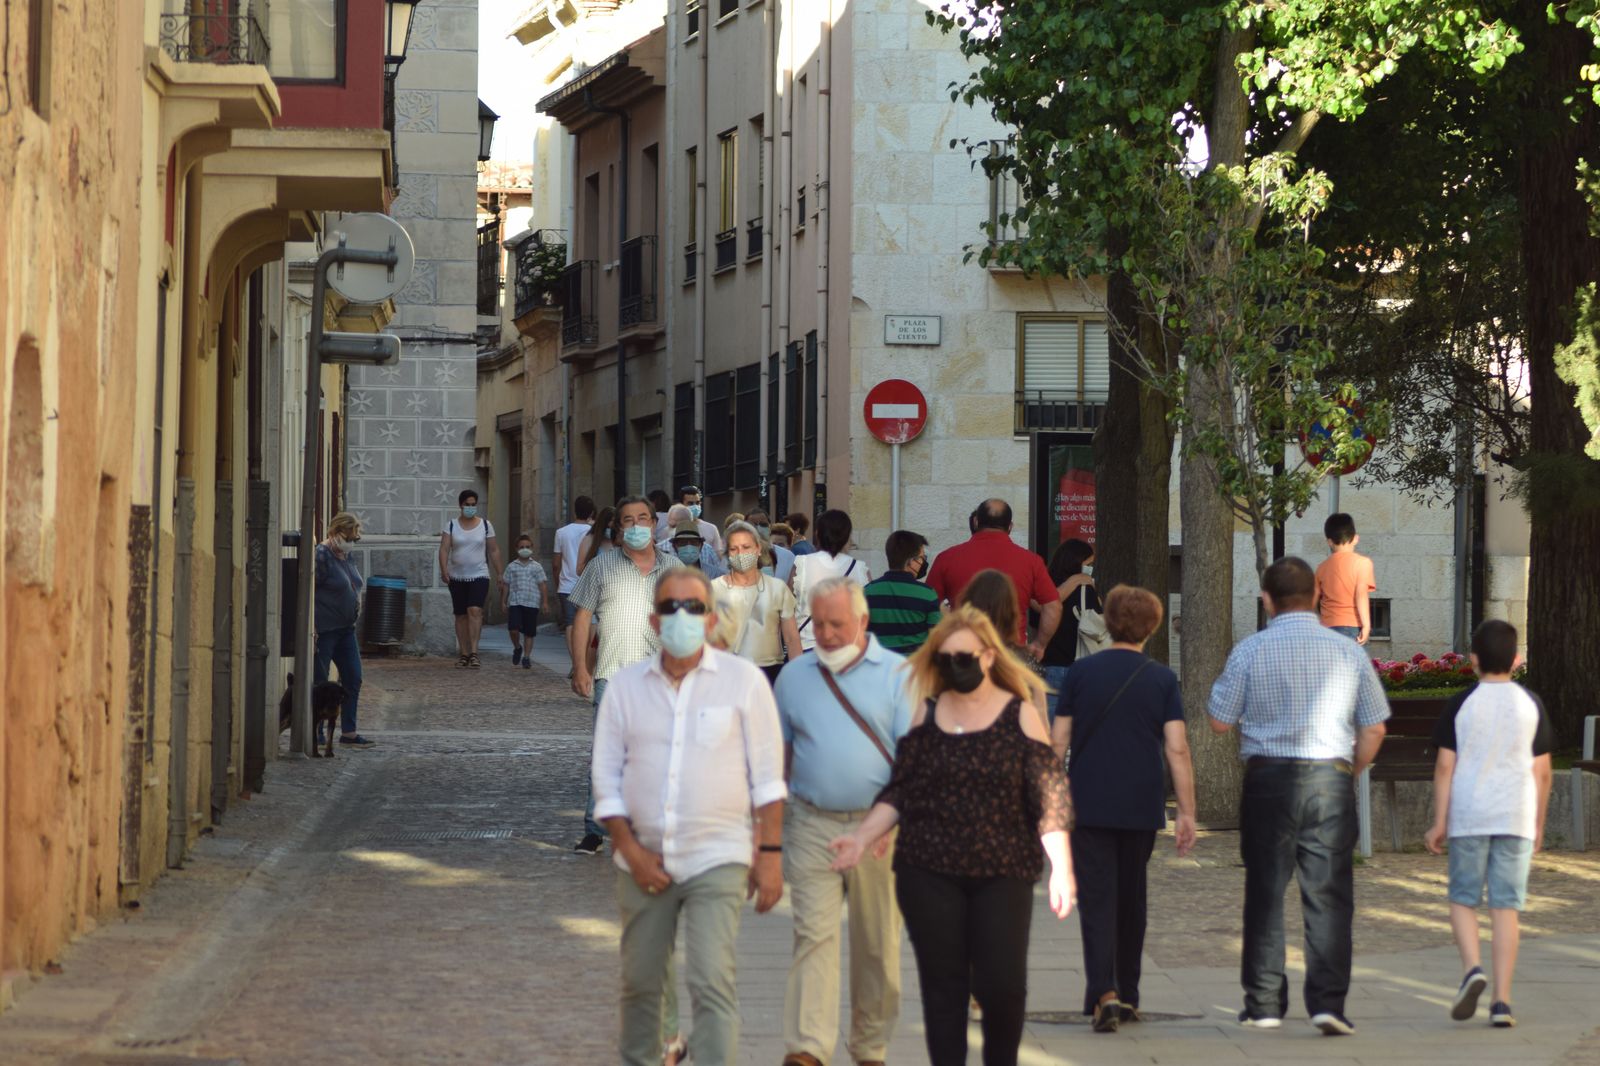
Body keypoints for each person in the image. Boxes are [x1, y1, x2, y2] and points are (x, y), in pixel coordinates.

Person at [829, 606, 1075, 1066]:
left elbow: (1049, 793)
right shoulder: (928, 712)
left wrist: (1062, 866)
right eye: (946, 658)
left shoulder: (1019, 713)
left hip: (1003, 868)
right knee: (943, 988)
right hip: (929, 868)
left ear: (987, 656)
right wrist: (862, 837)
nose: (955, 665)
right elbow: (902, 787)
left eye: (964, 656)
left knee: (1002, 986)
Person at [591, 567, 787, 1066]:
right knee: (640, 983)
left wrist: (769, 854)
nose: (682, 617)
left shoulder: (743, 683)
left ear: (710, 617)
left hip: (717, 855)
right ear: (655, 622)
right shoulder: (626, 687)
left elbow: (767, 777)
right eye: (671, 608)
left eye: (693, 607)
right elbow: (606, 780)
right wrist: (630, 850)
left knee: (711, 980)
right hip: (642, 858)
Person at [1207, 556, 1390, 1036]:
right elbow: (1374, 727)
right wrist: (1350, 770)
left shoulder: (1250, 650)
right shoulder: (1348, 653)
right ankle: (1329, 1001)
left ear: (1266, 601)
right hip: (1329, 776)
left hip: (1269, 779)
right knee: (1329, 893)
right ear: (1316, 598)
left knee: (1265, 891)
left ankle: (1264, 1002)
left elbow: (1219, 720)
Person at [774, 577, 913, 1066]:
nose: (828, 634)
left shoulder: (899, 675)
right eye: (821, 623)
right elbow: (782, 758)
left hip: (882, 828)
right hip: (812, 822)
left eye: (838, 624)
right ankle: (809, 1046)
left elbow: (912, 765)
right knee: (813, 934)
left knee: (877, 943)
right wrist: (771, 833)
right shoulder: (794, 677)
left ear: (862, 621)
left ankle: (870, 1044)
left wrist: (883, 824)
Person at [1051, 585, 1196, 1032]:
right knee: (1132, 898)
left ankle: (1104, 992)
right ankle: (1129, 994)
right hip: (1141, 801)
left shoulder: (1081, 674)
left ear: (1108, 622)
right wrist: (1187, 811)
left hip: (1089, 799)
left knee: (1096, 899)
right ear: (1151, 627)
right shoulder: (1161, 679)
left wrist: (1051, 801)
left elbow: (1058, 742)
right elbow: (1177, 749)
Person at [1424, 619, 1554, 1030]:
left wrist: (1439, 821)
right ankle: (1502, 1001)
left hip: (1469, 815)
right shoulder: (1530, 702)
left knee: (1463, 898)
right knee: (1505, 908)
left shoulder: (1462, 704)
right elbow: (1543, 771)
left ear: (1473, 660)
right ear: (1516, 660)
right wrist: (1538, 823)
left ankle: (1471, 969)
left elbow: (1446, 766)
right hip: (1515, 815)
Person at [569, 495, 683, 855]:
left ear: (655, 524)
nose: (637, 526)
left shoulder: (675, 569)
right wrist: (580, 667)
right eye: (629, 520)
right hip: (612, 675)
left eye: (644, 518)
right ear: (619, 528)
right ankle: (594, 828)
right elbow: (582, 618)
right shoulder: (601, 567)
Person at [925, 498, 1061, 659]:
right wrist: (1040, 645)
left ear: (976, 522)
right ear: (1010, 526)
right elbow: (1053, 606)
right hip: (1011, 654)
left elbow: (930, 605)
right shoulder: (1031, 561)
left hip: (963, 654)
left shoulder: (946, 558)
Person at [710, 521, 800, 683]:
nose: (740, 554)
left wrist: (796, 679)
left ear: (758, 549)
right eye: (734, 549)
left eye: (746, 547)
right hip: (727, 672)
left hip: (769, 673)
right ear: (727, 554)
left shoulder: (777, 589)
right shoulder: (712, 589)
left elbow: (792, 638)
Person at [314, 512, 373, 747]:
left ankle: (349, 731)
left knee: (353, 677)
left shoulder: (347, 556)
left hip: (346, 630)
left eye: (355, 538)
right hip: (325, 630)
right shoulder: (322, 555)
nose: (351, 541)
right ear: (335, 533)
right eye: (348, 536)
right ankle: (315, 730)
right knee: (319, 680)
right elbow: (310, 589)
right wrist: (313, 626)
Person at [438, 489, 502, 669]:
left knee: (474, 610)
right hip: (456, 576)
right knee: (460, 615)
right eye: (467, 504)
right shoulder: (451, 525)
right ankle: (464, 653)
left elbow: (494, 550)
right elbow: (444, 549)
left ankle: (474, 652)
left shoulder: (486, 525)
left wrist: (499, 573)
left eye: (474, 505)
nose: (471, 508)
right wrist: (444, 570)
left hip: (479, 574)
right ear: (460, 505)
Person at [791, 509, 872, 651]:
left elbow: (787, 608)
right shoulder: (860, 569)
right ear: (847, 537)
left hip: (808, 646)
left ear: (818, 534)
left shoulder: (802, 564)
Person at [1041, 538, 1101, 722]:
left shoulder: (1045, 587)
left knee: (1050, 734)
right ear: (1076, 563)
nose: (1090, 568)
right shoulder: (1085, 589)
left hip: (1051, 666)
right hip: (1080, 666)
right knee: (1082, 734)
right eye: (1088, 564)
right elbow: (1098, 622)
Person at [863, 530, 941, 654]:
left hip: (879, 669)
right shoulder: (927, 594)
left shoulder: (868, 592)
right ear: (910, 561)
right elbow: (936, 641)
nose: (923, 563)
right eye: (922, 558)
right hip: (914, 669)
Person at [1314, 513, 1376, 644]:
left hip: (1326, 628)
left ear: (1329, 542)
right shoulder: (1363, 563)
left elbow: (1313, 600)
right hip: (1352, 625)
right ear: (1355, 538)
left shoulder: (1321, 568)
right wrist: (1366, 625)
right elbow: (1361, 596)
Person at [500, 533, 551, 670]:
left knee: (529, 632)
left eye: (527, 547)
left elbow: (542, 584)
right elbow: (506, 584)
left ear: (532, 548)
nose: (525, 549)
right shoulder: (512, 566)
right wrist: (503, 601)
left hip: (532, 602)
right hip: (515, 602)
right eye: (522, 547)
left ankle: (527, 657)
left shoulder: (537, 567)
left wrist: (545, 602)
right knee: (513, 629)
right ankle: (517, 647)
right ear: (517, 548)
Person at [553, 495, 596, 640]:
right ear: (591, 513)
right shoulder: (594, 533)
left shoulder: (561, 533)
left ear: (574, 511)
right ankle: (584, 657)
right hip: (589, 586)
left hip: (567, 585)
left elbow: (556, 564)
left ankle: (574, 659)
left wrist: (558, 583)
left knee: (570, 623)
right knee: (588, 623)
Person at [656, 484, 723, 552]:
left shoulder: (711, 529)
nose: (695, 506)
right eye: (690, 503)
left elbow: (717, 555)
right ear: (681, 505)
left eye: (697, 503)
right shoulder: (668, 531)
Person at [664, 511, 727, 577]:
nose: (688, 546)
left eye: (693, 542)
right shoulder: (666, 575)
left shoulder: (715, 574)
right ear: (675, 546)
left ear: (701, 545)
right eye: (683, 543)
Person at [744, 508, 796, 583]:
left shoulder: (787, 556)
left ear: (770, 526)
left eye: (763, 524)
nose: (758, 528)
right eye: (753, 525)